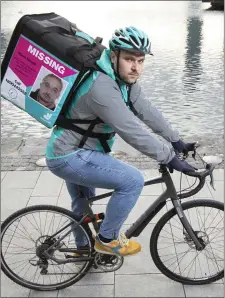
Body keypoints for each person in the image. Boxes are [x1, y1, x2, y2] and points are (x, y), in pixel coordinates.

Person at [46, 26, 196, 257]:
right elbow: (130, 130)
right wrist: (169, 157)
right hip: (70, 156)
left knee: (83, 202)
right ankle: (107, 239)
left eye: (141, 60)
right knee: (132, 181)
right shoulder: (102, 87)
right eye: (129, 59)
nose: (136, 67)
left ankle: (82, 250)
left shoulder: (122, 79)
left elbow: (146, 111)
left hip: (72, 149)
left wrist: (176, 141)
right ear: (114, 56)